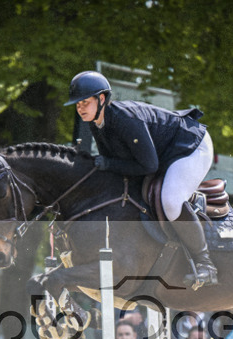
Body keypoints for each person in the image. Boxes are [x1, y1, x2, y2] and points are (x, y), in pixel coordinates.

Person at [66, 70, 217, 289]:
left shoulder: (125, 120)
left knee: (171, 200)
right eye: (77, 104)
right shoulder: (97, 123)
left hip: (190, 146)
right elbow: (117, 165)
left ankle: (205, 263)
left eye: (85, 102)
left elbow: (148, 166)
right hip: (163, 153)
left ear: (101, 99)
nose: (80, 108)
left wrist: (108, 164)